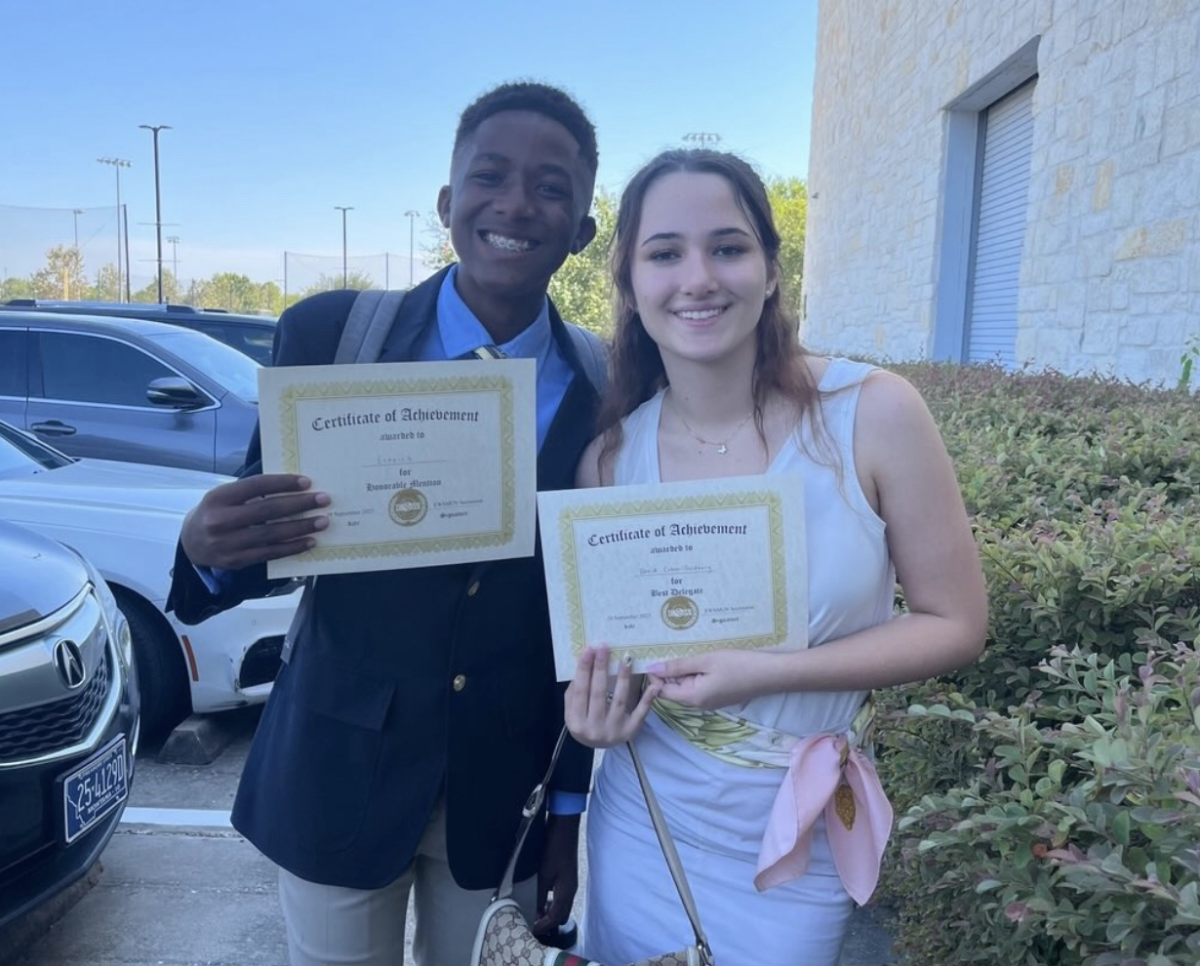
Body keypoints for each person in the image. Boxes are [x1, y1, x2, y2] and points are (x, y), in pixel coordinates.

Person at [167, 82, 604, 966]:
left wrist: (568, 813)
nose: (517, 203)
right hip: (339, 770)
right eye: (490, 176)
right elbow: (274, 532)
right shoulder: (331, 334)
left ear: (584, 228)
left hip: (503, 788)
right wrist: (206, 551)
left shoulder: (607, 382)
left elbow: (589, 621)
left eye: (551, 187)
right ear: (447, 204)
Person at [564, 149, 989, 966]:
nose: (698, 277)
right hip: (647, 819)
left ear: (770, 270)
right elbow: (614, 656)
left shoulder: (875, 414)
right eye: (664, 253)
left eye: (727, 247)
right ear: (629, 283)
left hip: (797, 831)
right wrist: (594, 718)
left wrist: (768, 670)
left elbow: (957, 623)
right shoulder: (611, 460)